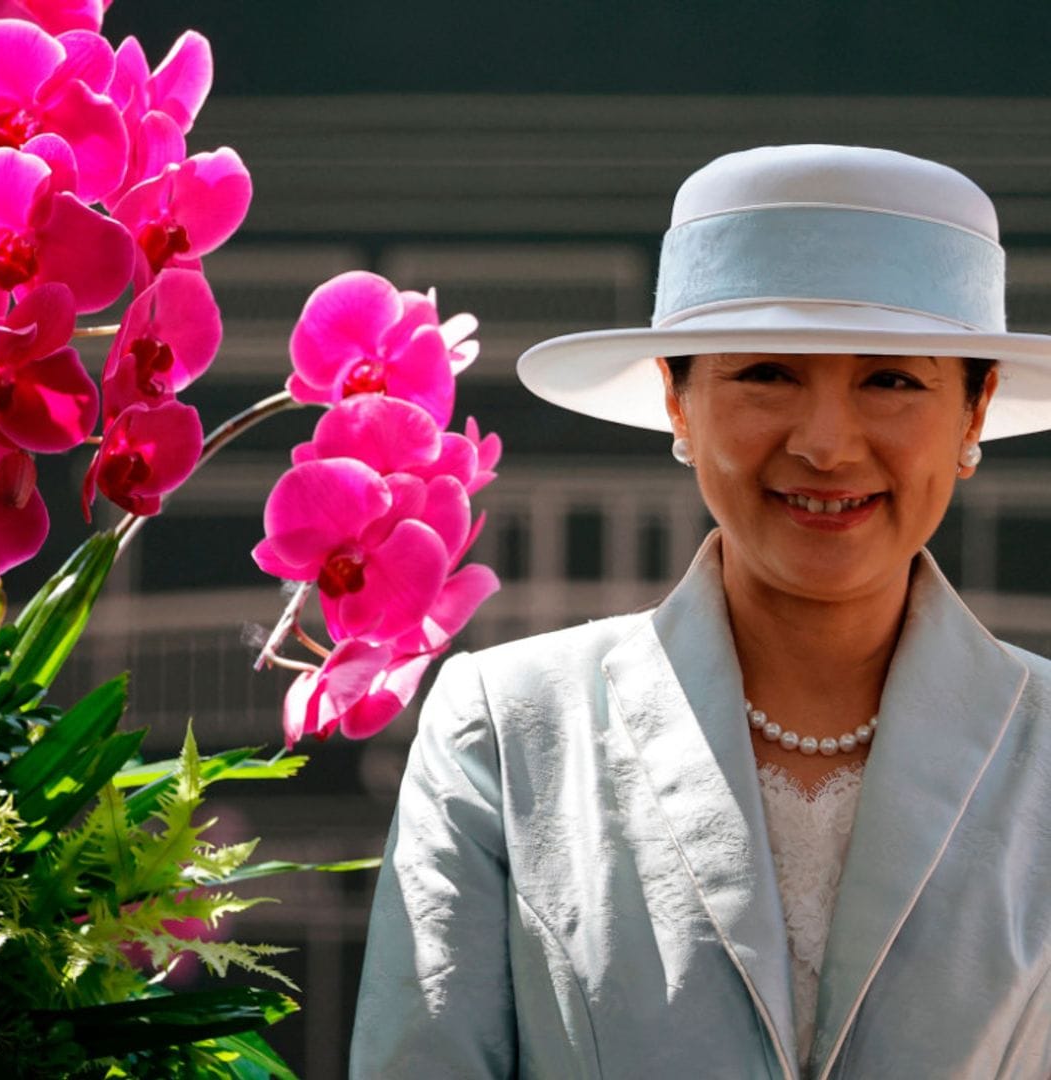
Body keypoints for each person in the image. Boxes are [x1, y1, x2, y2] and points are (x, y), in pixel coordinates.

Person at [350, 145, 1051, 1079]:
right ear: (679, 401)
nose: (827, 445)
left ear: (974, 412)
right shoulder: (506, 734)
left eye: (891, 380)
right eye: (767, 373)